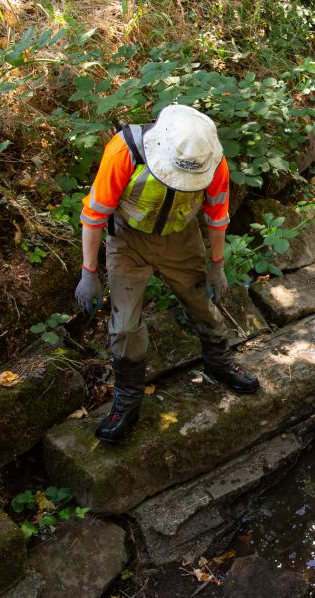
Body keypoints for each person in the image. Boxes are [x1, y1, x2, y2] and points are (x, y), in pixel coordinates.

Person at [74, 104, 260, 443]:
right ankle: (127, 401)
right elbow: (95, 213)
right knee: (125, 325)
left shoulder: (212, 160)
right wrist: (89, 271)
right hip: (128, 240)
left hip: (182, 239)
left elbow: (217, 215)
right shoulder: (124, 150)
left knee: (202, 304)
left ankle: (219, 362)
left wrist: (216, 264)